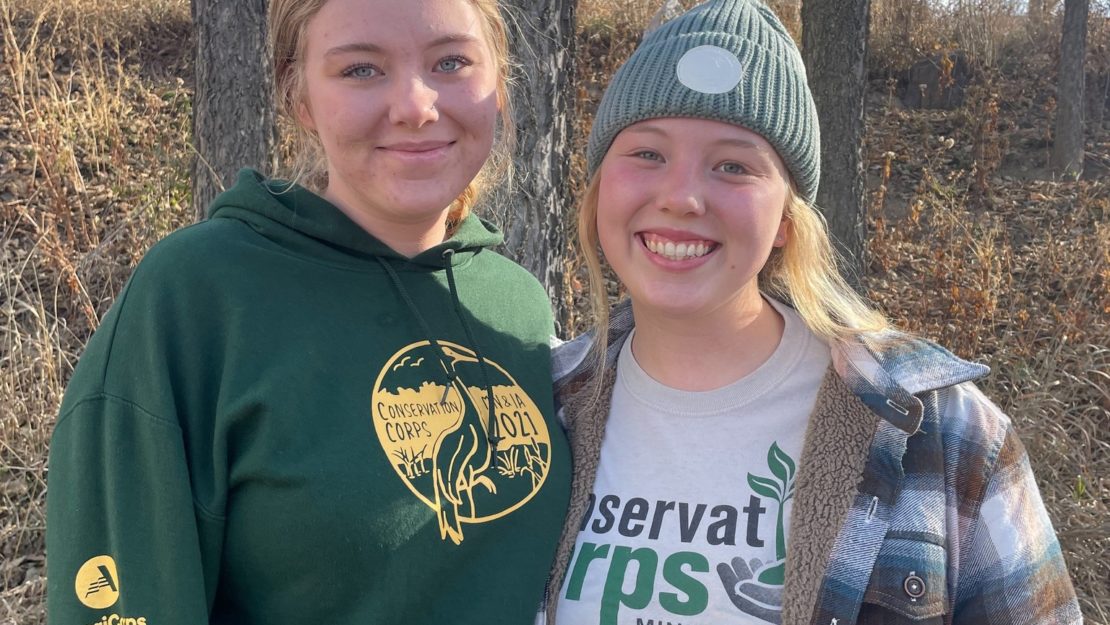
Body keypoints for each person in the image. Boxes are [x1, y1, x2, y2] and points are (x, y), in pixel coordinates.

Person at [542, 1, 1083, 624]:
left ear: (784, 219)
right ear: (599, 183)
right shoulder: (539, 408)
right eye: (647, 154)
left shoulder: (942, 433)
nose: (682, 197)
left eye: (733, 165)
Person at [46, 1, 571, 623]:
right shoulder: (199, 297)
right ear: (300, 100)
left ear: (499, 87)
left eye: (451, 61)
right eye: (360, 71)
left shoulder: (516, 306)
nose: (416, 105)